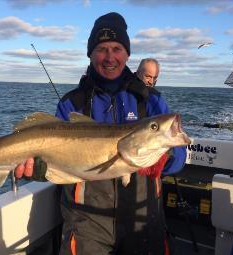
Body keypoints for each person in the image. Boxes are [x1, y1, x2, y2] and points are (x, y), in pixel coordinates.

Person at [15, 12, 186, 255]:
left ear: (127, 53)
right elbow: (53, 165)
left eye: (116, 48)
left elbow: (179, 156)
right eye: (102, 49)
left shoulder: (151, 101)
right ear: (91, 53)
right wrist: (39, 170)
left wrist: (162, 159)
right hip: (86, 226)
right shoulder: (70, 104)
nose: (109, 57)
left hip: (144, 220)